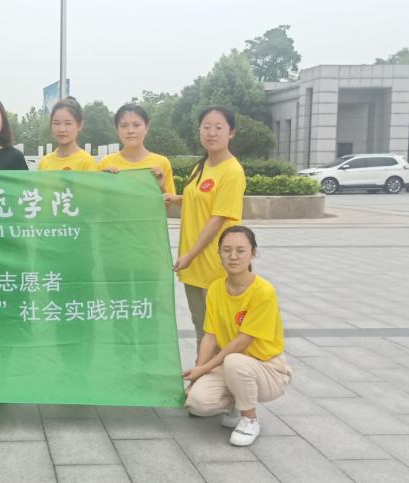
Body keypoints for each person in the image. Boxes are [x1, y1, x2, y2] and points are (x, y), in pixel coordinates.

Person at [183, 226, 291, 447]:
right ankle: (236, 402)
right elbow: (210, 336)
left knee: (234, 361)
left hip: (268, 369)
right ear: (219, 254)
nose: (233, 256)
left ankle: (249, 420)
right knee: (197, 403)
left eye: (240, 250)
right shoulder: (215, 289)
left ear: (253, 253)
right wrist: (196, 375)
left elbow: (242, 342)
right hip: (231, 366)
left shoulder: (263, 292)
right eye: (226, 250)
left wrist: (204, 369)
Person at [171, 107, 246, 351]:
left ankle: (213, 372)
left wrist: (189, 256)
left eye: (218, 127)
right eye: (206, 127)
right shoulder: (201, 166)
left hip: (214, 265)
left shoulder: (232, 171)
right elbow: (198, 200)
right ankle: (204, 371)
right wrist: (175, 198)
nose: (211, 133)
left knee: (216, 331)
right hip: (193, 264)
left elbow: (217, 219)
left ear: (231, 132)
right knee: (200, 326)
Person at [97, 104, 174, 193]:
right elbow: (97, 200)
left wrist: (161, 187)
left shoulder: (162, 163)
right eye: (124, 126)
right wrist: (106, 183)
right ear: (117, 130)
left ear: (146, 128)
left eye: (136, 125)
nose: (130, 131)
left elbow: (170, 201)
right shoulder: (105, 164)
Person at [38, 97, 96, 171]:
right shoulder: (44, 162)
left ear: (80, 125)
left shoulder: (86, 162)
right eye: (56, 123)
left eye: (68, 123)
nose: (61, 129)